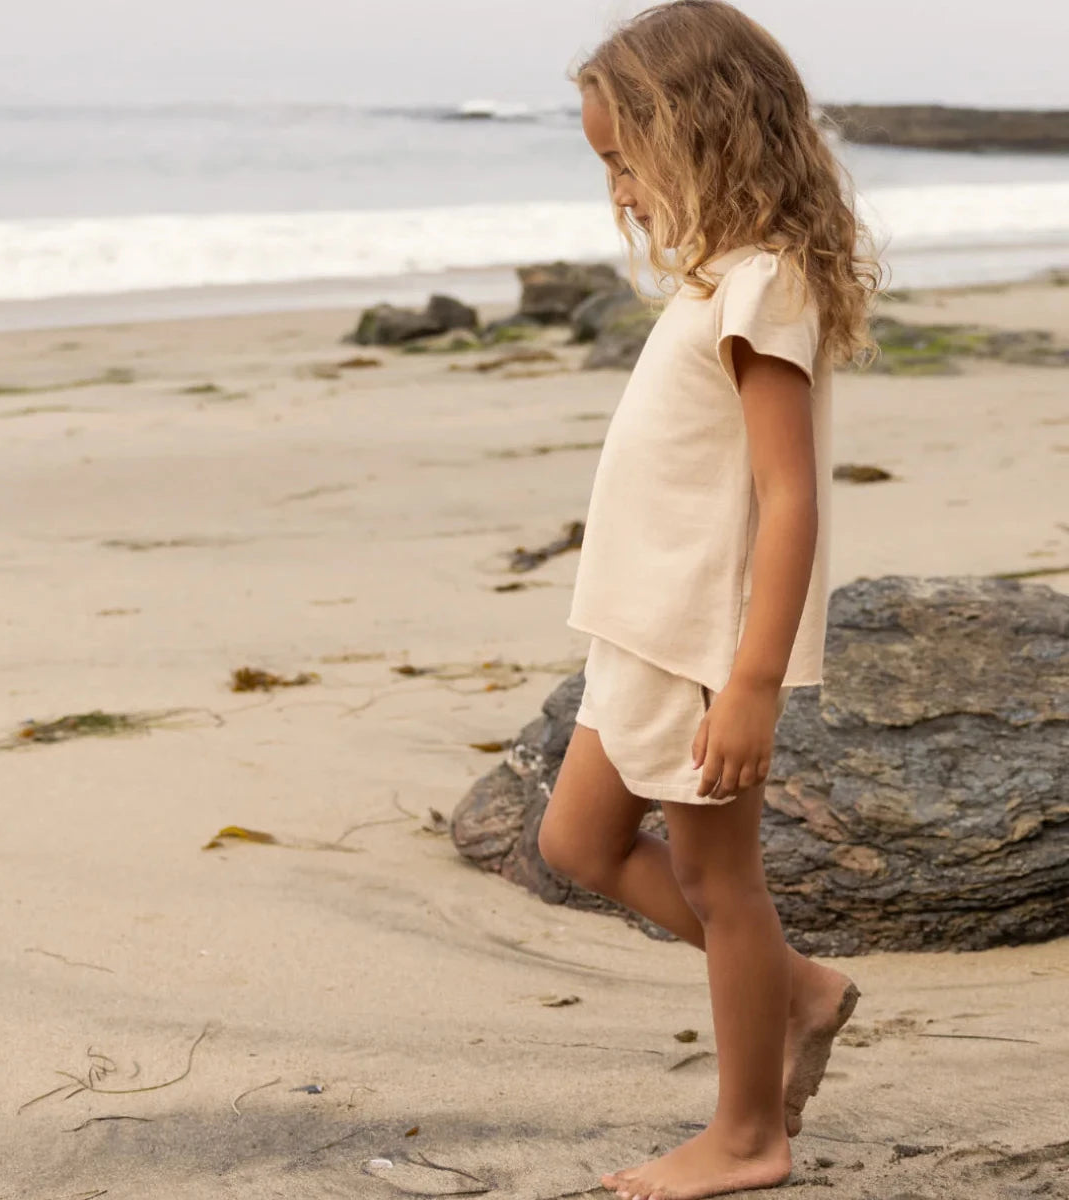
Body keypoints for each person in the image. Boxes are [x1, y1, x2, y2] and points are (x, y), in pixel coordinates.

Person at [535, 3, 882, 1198]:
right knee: (573, 841)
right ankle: (796, 988)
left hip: (699, 645)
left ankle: (747, 1136)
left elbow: (789, 502)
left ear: (703, 131)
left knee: (723, 890)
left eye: (628, 158)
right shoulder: (718, 280)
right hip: (638, 625)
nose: (622, 190)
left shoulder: (767, 286)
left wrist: (750, 686)